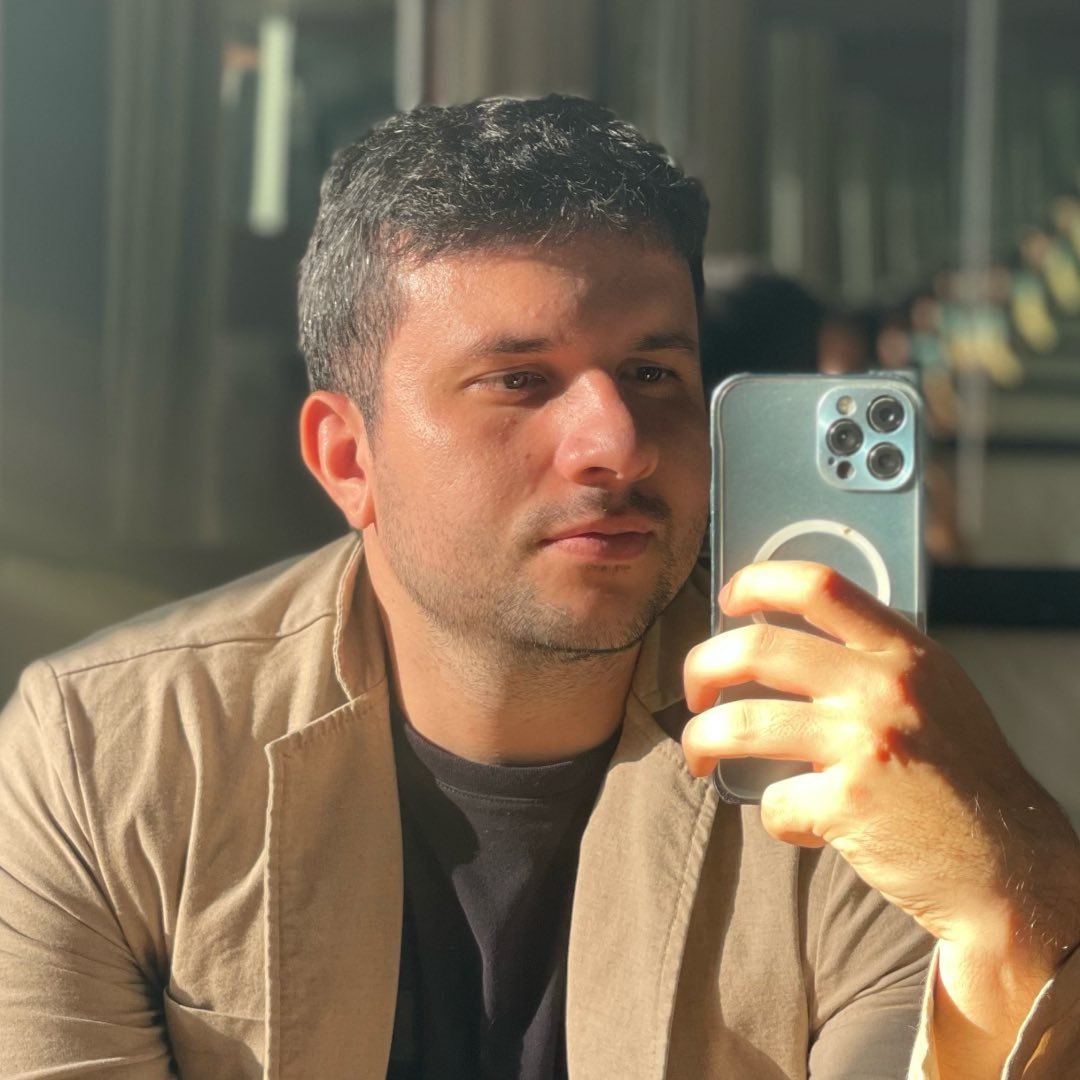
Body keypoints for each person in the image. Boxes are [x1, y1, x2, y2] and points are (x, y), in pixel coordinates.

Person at [1, 95, 1078, 1080]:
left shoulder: (836, 764)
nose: (619, 440)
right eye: (517, 380)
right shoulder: (109, 756)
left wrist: (1016, 911)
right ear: (347, 458)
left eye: (653, 373)